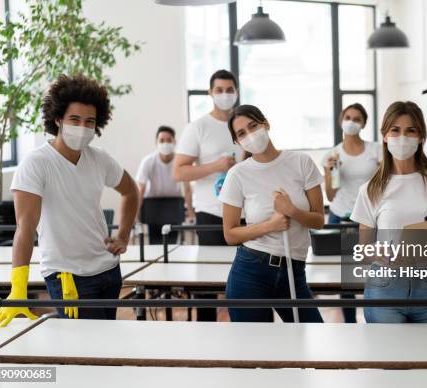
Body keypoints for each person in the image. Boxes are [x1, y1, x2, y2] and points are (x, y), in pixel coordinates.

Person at [0, 74, 139, 326]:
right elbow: (25, 228)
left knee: (109, 348)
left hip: (108, 270)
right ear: (58, 118)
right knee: (89, 354)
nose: (82, 127)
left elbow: (130, 191)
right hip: (69, 278)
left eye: (89, 122)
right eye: (75, 119)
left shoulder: (99, 158)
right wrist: (18, 287)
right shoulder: (36, 163)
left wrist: (124, 236)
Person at [351, 101, 427, 323]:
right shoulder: (371, 189)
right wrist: (379, 253)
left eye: (411, 130)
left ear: (421, 137)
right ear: (384, 136)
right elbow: (363, 250)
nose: (403, 138)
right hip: (385, 289)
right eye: (395, 130)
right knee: (391, 358)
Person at [220, 105, 325, 323]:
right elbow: (230, 234)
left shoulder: (301, 162)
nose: (250, 135)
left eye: (253, 126)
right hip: (250, 271)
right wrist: (270, 225)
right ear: (237, 142)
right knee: (255, 352)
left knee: (312, 336)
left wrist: (292, 211)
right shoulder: (237, 174)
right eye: (241, 134)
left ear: (265, 124)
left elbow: (318, 221)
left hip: (293, 272)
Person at [173, 69, 243, 321]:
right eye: (220, 90)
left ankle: (247, 337)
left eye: (230, 90)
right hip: (211, 214)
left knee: (244, 281)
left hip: (245, 215)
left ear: (237, 91)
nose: (225, 95)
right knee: (207, 283)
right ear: (211, 93)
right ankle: (205, 338)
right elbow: (179, 172)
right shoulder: (199, 127)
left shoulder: (242, 125)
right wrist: (216, 166)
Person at [322, 103, 381, 323]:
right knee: (346, 276)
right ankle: (349, 323)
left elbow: (385, 183)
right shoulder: (332, 154)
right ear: (341, 120)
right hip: (340, 217)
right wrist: (332, 170)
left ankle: (374, 319)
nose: (352, 122)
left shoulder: (376, 150)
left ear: (364, 123)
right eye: (348, 117)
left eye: (357, 118)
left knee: (373, 271)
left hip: (369, 217)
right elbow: (330, 194)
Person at [136, 125, 194, 244]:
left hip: (174, 205)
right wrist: (135, 214)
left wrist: (191, 212)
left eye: (169, 140)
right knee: (154, 243)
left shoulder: (181, 161)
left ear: (174, 142)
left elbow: (187, 188)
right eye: (162, 140)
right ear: (156, 142)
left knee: (172, 242)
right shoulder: (148, 161)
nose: (165, 143)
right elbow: (140, 189)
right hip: (152, 206)